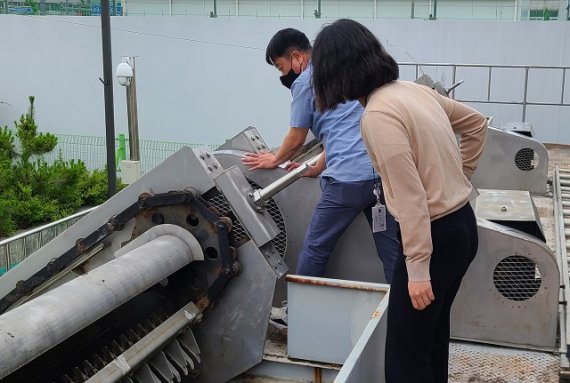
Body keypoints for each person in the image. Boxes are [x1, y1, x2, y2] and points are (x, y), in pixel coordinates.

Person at [311, 19, 487, 383]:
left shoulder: (377, 116)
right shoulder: (413, 91)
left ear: (335, 72)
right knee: (431, 339)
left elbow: (410, 199)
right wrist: (460, 177)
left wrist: (418, 270)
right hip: (462, 227)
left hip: (433, 238)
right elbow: (476, 125)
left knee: (405, 360)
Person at [241, 28, 401, 330]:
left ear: (297, 57)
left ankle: (298, 313)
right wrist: (318, 165)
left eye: (280, 66)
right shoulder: (343, 74)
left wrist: (274, 159)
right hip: (378, 178)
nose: (282, 74)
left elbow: (297, 136)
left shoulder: (305, 82)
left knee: (315, 247)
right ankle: (403, 310)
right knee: (389, 247)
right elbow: (342, 130)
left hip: (345, 183)